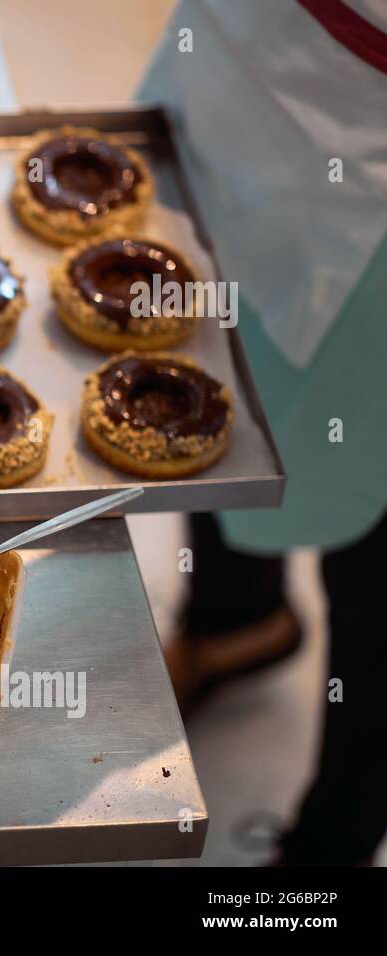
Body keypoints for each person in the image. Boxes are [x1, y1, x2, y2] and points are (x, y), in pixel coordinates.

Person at [138, 0, 387, 865]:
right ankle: (238, 616)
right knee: (208, 364)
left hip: (372, 155)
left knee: (373, 533)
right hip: (244, 51)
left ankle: (334, 847)